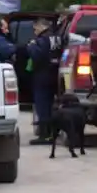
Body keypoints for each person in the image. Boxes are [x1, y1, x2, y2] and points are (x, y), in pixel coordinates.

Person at [26, 17, 62, 145]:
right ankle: (52, 133)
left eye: (35, 28)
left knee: (42, 106)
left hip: (42, 76)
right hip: (55, 74)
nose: (34, 31)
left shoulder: (41, 40)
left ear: (42, 26)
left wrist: (30, 46)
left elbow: (37, 56)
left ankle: (44, 135)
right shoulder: (56, 37)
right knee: (51, 105)